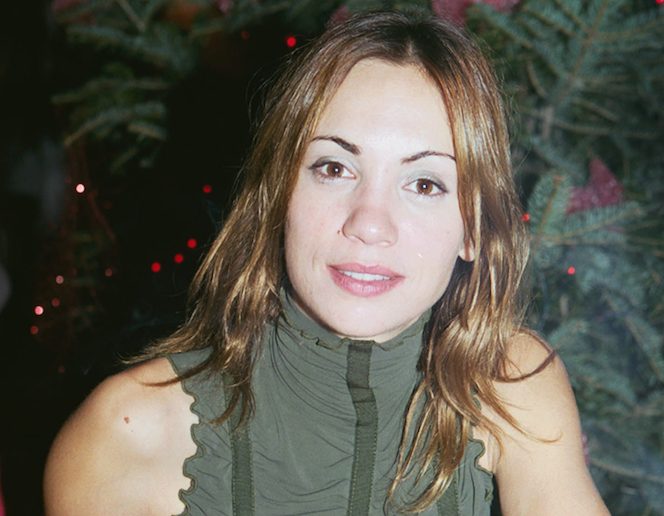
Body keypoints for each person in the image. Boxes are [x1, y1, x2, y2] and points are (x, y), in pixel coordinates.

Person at [44, 10, 610, 515]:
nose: (369, 223)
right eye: (334, 169)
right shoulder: (128, 432)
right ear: (279, 195)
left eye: (424, 183)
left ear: (474, 230)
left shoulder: (512, 383)